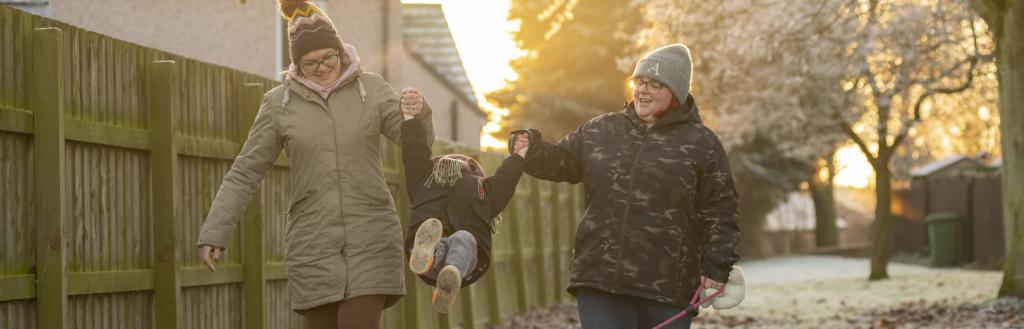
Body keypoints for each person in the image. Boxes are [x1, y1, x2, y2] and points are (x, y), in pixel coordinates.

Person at [195, 1, 433, 328]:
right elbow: (245, 171)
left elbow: (416, 145)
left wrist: (417, 114)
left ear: (340, 51)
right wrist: (215, 231)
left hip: (371, 235)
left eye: (328, 58)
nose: (321, 68)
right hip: (313, 242)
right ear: (295, 65)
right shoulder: (279, 104)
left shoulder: (373, 89)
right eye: (310, 63)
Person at [511, 44, 741, 329]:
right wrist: (530, 149)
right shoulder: (601, 130)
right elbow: (562, 163)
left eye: (655, 84)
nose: (643, 90)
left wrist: (716, 267)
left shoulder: (702, 143)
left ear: (676, 93)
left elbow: (721, 210)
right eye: (640, 82)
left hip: (667, 285)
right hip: (601, 278)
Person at [399, 98, 528, 313]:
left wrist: (518, 156)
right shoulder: (424, 178)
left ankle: (447, 277)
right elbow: (413, 151)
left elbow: (506, 179)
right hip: (436, 246)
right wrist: (410, 120)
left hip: (466, 261)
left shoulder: (483, 192)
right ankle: (429, 258)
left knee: (463, 239)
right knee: (440, 235)